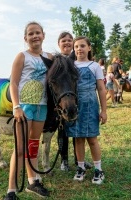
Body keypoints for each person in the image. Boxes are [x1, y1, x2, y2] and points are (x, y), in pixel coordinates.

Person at [3, 21, 52, 200]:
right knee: (20, 147)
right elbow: (14, 82)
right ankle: (11, 190)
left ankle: (33, 182)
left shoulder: (49, 57)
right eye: (31, 34)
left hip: (42, 106)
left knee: (33, 144)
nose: (34, 36)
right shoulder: (22, 56)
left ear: (43, 35)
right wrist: (16, 106)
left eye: (37, 32)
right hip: (25, 106)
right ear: (25, 38)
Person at [42, 31, 92, 172]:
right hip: (60, 102)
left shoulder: (76, 59)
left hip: (74, 99)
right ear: (59, 44)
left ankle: (78, 160)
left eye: (70, 40)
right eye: (63, 40)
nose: (67, 42)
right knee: (62, 132)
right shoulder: (54, 60)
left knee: (77, 132)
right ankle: (64, 160)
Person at [66, 36, 107, 184]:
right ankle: (81, 167)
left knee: (92, 138)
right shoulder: (70, 66)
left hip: (90, 104)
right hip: (74, 105)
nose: (79, 49)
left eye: (82, 46)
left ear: (89, 48)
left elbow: (101, 89)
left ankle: (98, 169)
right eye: (76, 46)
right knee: (78, 138)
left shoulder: (94, 66)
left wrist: (104, 110)